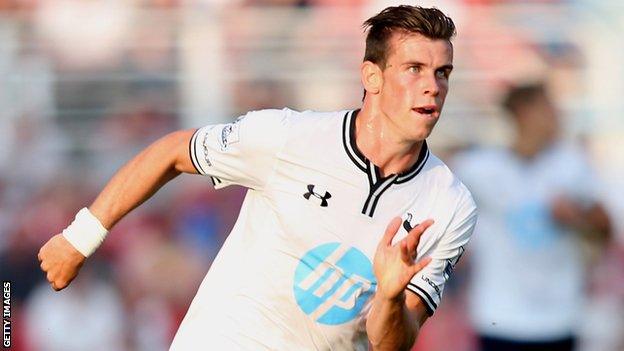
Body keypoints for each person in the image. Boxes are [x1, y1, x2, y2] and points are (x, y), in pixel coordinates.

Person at [38, 6, 477, 350]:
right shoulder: (288, 137)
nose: (433, 86)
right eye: (414, 68)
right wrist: (80, 238)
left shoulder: (450, 204)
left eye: (443, 72)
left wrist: (390, 296)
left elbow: (391, 344)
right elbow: (174, 152)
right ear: (372, 77)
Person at [453, 83, 611, 351]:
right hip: (499, 316)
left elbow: (605, 229)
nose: (557, 115)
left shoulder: (572, 165)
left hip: (559, 318)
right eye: (548, 107)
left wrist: (577, 216)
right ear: (523, 113)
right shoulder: (479, 168)